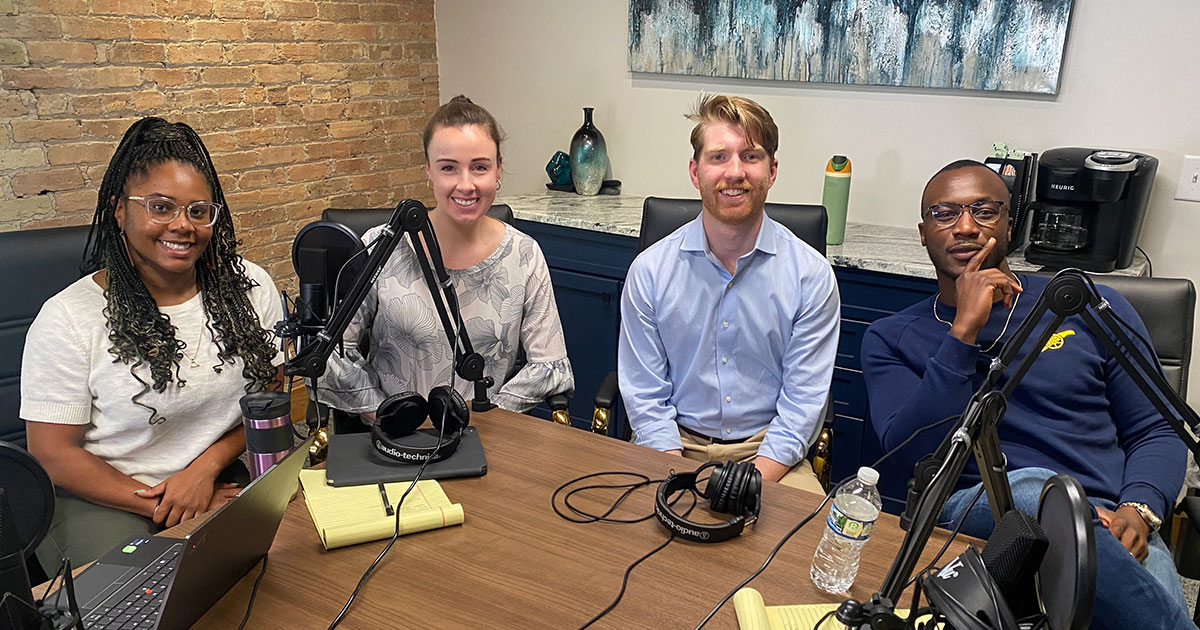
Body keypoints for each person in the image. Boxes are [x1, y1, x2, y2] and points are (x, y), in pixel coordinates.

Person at [861, 160, 1190, 627]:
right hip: (974, 504)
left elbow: (1156, 427)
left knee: (1125, 571)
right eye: (945, 213)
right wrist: (962, 333)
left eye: (984, 211)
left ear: (1009, 226)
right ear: (923, 233)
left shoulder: (1084, 306)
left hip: (1109, 513)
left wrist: (1138, 509)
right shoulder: (891, 337)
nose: (966, 227)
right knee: (1040, 488)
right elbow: (910, 454)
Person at [21, 117, 284, 573]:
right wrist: (169, 503)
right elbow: (53, 454)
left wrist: (204, 470)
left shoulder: (250, 287)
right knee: (144, 592)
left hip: (214, 474)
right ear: (119, 211)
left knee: (283, 564)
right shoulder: (67, 318)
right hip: (103, 494)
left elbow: (272, 394)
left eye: (198, 211)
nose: (183, 226)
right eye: (160, 207)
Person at [617, 94, 840, 494]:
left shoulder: (811, 276)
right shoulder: (650, 272)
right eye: (718, 157)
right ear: (695, 171)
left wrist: (745, 484)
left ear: (772, 171)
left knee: (802, 533)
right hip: (671, 445)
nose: (734, 172)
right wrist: (678, 478)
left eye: (751, 156)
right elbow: (646, 399)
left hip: (770, 453)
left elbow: (802, 405)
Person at [319, 96, 573, 419]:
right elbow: (335, 355)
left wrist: (485, 420)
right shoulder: (380, 247)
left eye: (479, 167)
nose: (466, 185)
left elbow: (548, 365)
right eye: (448, 168)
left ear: (498, 168)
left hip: (487, 436)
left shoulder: (525, 255)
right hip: (393, 436)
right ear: (428, 170)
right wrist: (388, 417)